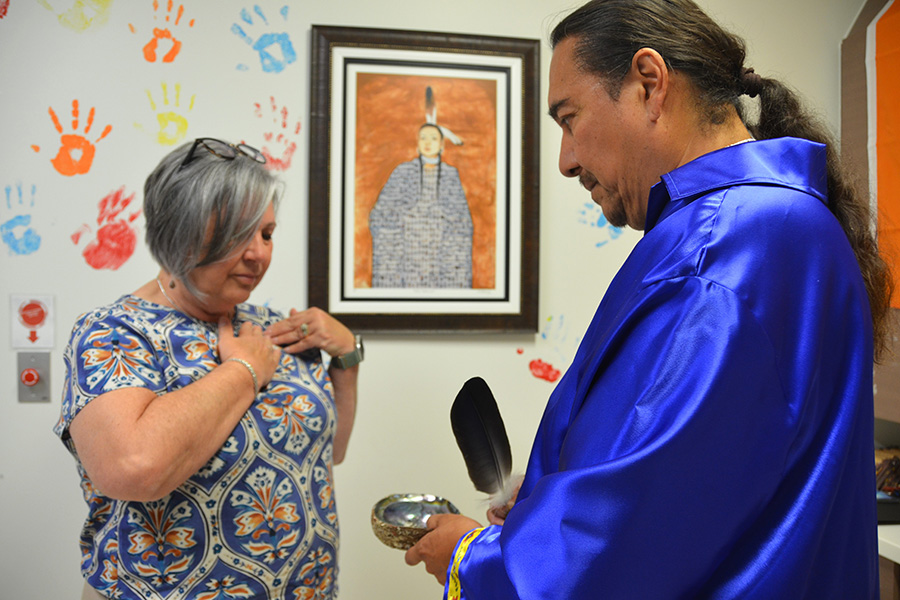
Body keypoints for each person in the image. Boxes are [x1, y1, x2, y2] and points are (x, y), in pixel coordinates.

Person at [404, 0, 894, 598]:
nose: (566, 161)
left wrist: (475, 558)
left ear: (649, 84)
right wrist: (543, 516)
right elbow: (700, 486)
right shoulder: (769, 225)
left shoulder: (727, 248)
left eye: (569, 118)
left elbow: (626, 539)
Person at [54, 138, 365, 600]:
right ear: (180, 231)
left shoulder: (272, 327)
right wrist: (242, 370)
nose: (259, 254)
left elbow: (329, 452)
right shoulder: (114, 333)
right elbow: (134, 468)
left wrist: (347, 359)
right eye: (239, 234)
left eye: (266, 234)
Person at [369, 122, 474, 288]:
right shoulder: (403, 171)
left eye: (433, 138)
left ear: (441, 145)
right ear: (417, 143)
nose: (427, 142)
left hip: (440, 246)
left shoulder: (450, 174)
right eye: (423, 138)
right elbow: (381, 213)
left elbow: (461, 220)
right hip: (407, 246)